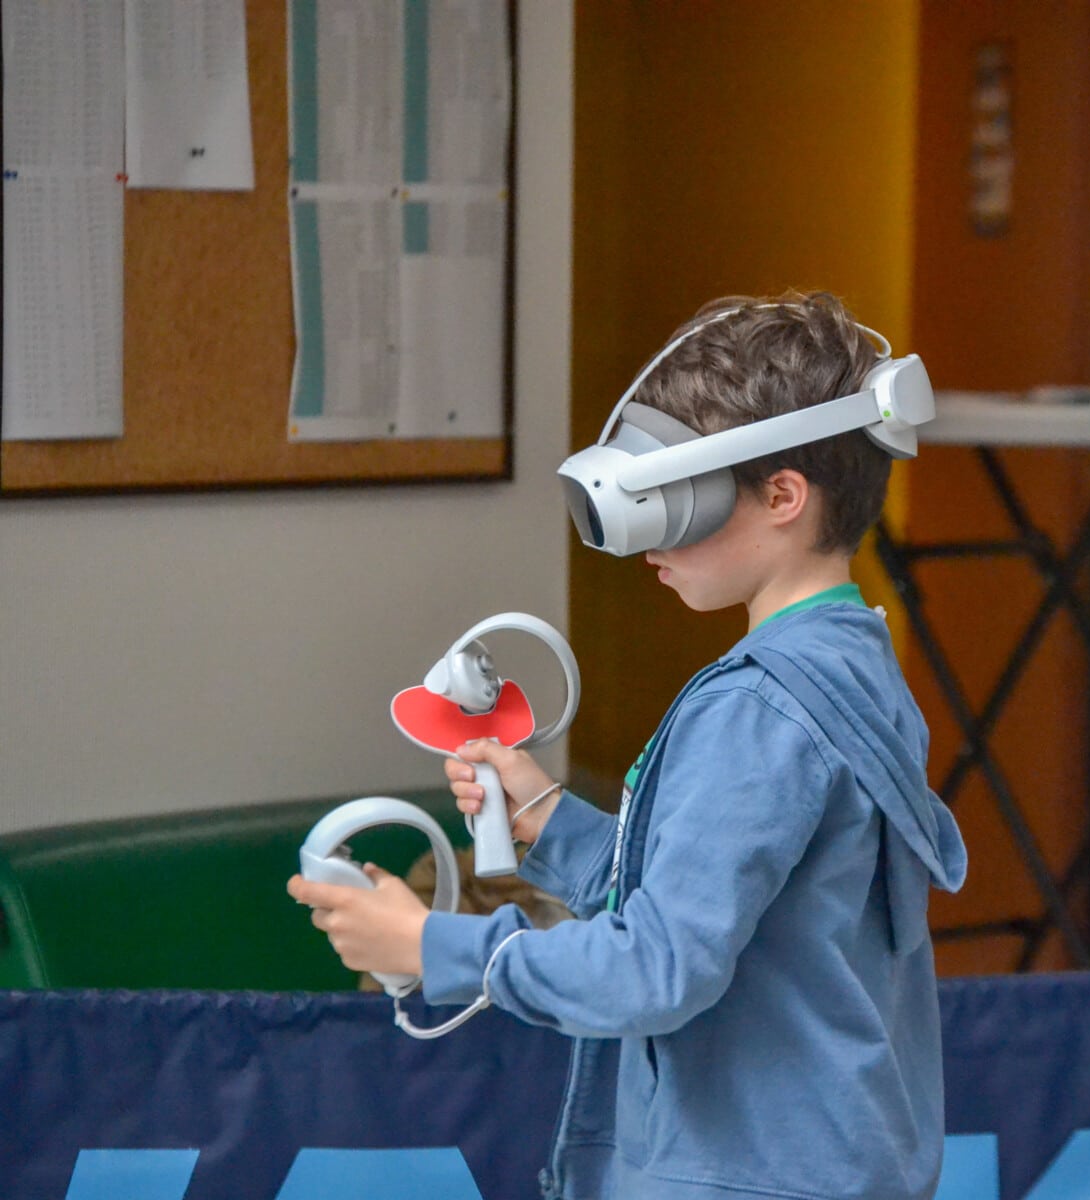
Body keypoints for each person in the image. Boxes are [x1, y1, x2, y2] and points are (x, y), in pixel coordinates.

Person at [288, 290, 967, 1200]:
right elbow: (727, 899)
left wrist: (430, 946)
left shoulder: (757, 709)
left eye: (676, 498)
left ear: (783, 496)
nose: (644, 538)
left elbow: (656, 968)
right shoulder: (854, 660)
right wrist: (549, 820)